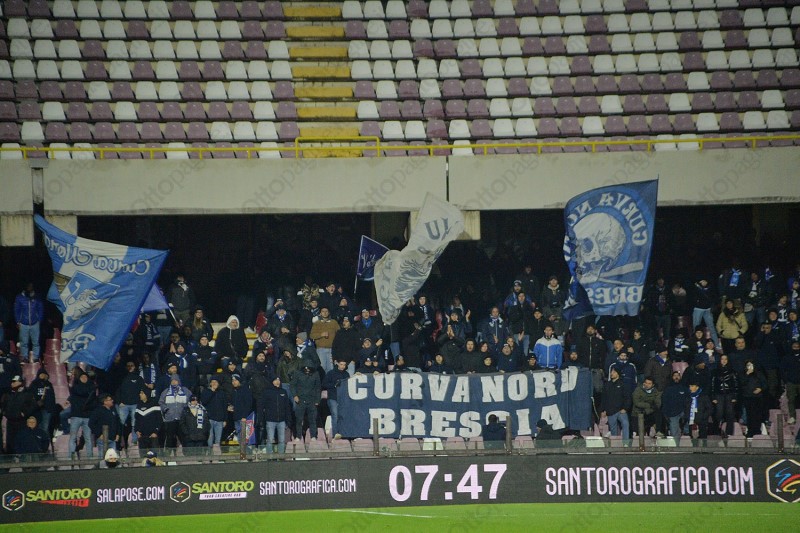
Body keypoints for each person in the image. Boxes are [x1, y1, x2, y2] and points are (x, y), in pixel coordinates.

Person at [2, 376, 37, 454]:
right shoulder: (8, 393)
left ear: (20, 382)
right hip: (10, 421)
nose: (12, 383)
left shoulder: (27, 393)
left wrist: (24, 413)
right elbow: (3, 404)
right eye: (12, 381)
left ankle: (22, 458)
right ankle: (10, 458)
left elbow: (33, 405)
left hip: (21, 421)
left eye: (14, 381)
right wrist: (5, 413)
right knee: (10, 442)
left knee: (22, 440)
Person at [159, 374, 191, 453]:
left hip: (182, 419)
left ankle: (187, 454)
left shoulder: (185, 390)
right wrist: (166, 409)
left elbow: (191, 400)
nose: (174, 382)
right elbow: (161, 402)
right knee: (170, 438)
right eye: (172, 381)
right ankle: (169, 455)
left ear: (179, 381)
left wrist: (186, 410)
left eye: (175, 380)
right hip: (170, 419)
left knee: (184, 438)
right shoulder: (166, 391)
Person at [67, 370, 96, 459]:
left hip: (87, 417)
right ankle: (71, 457)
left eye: (85, 377)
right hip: (76, 416)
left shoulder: (92, 389)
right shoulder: (75, 388)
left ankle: (90, 458)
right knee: (73, 437)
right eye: (82, 377)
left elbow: (94, 403)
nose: (84, 378)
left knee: (88, 438)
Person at [116, 360, 144, 447]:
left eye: (132, 365)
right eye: (128, 365)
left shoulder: (139, 378)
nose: (130, 367)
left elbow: (142, 390)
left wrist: (139, 402)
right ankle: (119, 439)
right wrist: (119, 402)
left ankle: (134, 441)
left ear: (135, 367)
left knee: (134, 423)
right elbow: (117, 390)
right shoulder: (121, 377)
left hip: (135, 404)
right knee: (120, 423)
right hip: (123, 404)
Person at [14, 283, 44, 364]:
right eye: (28, 286)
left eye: (31, 286)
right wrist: (18, 321)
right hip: (23, 323)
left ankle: (36, 357)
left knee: (36, 342)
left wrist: (39, 320)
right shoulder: (20, 297)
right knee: (23, 342)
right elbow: (16, 310)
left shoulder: (36, 297)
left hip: (35, 323)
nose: (29, 287)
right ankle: (24, 357)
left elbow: (40, 308)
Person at [262, 376, 293, 454]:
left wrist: (288, 419)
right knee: (270, 439)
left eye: (279, 380)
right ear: (272, 381)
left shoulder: (283, 391)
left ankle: (281, 456)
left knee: (282, 440)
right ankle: (269, 456)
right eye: (275, 380)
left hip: (281, 420)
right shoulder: (267, 392)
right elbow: (262, 405)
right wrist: (263, 417)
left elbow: (287, 407)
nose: (277, 381)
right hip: (270, 420)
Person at [601, 367, 632, 443]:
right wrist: (603, 410)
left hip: (621, 410)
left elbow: (628, 397)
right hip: (610, 411)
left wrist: (625, 408)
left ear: (618, 373)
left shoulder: (623, 384)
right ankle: (615, 444)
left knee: (625, 424)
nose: (612, 373)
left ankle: (625, 443)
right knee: (613, 429)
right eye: (611, 372)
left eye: (614, 372)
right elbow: (604, 398)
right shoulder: (607, 384)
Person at [291, 363, 321, 441]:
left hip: (312, 400)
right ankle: (298, 436)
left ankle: (313, 436)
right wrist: (295, 395)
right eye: (306, 368)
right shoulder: (297, 373)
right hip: (300, 400)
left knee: (313, 420)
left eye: (309, 368)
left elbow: (318, 388)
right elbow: (293, 385)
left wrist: (317, 400)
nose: (307, 370)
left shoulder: (316, 374)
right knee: (299, 420)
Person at [711, 354, 739, 437]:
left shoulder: (732, 371)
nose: (724, 361)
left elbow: (736, 385)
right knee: (718, 413)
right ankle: (716, 431)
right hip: (718, 394)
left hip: (729, 394)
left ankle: (729, 432)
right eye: (722, 359)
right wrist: (713, 397)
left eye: (725, 359)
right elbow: (712, 385)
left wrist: (735, 396)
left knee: (730, 414)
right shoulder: (715, 371)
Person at [322, 360, 349, 439]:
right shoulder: (331, 373)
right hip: (333, 397)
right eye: (341, 364)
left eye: (344, 365)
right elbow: (324, 384)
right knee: (335, 415)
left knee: (343, 416)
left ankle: (343, 433)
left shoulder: (346, 374)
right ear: (337, 364)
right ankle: (335, 434)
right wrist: (334, 385)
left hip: (343, 398)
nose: (342, 366)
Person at [740, 360, 767, 438]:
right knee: (749, 415)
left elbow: (765, 384)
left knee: (757, 415)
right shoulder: (743, 375)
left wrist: (760, 389)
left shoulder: (759, 374)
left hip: (758, 398)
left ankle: (757, 431)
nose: (750, 367)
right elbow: (741, 384)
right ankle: (750, 432)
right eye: (748, 365)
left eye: (751, 365)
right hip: (748, 397)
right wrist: (747, 375)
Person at [89, 394, 121, 459]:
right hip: (102, 439)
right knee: (102, 458)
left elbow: (118, 422)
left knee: (113, 458)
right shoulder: (98, 411)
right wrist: (99, 434)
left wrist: (118, 433)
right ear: (105, 402)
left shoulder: (113, 410)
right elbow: (91, 423)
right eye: (110, 400)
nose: (112, 401)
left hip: (113, 439)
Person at [310, 306, 340, 374]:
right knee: (322, 367)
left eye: (326, 311)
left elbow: (339, 334)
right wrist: (321, 334)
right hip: (321, 349)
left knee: (331, 368)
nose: (325, 313)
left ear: (329, 313)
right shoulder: (317, 323)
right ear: (320, 313)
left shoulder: (334, 322)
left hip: (332, 349)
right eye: (323, 311)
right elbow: (312, 335)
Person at [661, 372, 688, 444]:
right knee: (674, 432)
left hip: (684, 412)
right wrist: (665, 413)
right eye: (674, 375)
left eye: (678, 375)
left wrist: (687, 412)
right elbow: (664, 402)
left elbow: (689, 401)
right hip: (672, 413)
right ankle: (676, 447)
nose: (676, 377)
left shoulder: (685, 388)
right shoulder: (667, 389)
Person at [201, 376, 227, 449]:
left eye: (216, 382)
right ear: (210, 383)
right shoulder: (206, 391)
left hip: (219, 420)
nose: (214, 383)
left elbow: (224, 406)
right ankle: (210, 453)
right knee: (210, 439)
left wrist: (225, 419)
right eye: (212, 382)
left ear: (218, 383)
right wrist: (212, 392)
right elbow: (204, 402)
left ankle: (216, 454)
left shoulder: (222, 393)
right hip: (210, 419)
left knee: (218, 440)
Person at [692, 279, 720, 347]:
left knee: (711, 327)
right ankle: (695, 345)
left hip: (708, 309)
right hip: (698, 309)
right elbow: (692, 297)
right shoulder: (696, 287)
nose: (703, 282)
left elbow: (714, 296)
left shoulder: (710, 287)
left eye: (705, 281)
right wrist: (696, 302)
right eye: (702, 281)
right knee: (696, 327)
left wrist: (711, 304)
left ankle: (716, 344)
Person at [29, 368, 56, 438]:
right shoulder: (33, 384)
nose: (42, 375)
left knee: (45, 427)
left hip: (46, 409)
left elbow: (52, 397)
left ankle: (45, 442)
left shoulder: (49, 384)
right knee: (37, 426)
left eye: (44, 374)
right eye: (41, 374)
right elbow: (30, 396)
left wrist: (52, 408)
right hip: (36, 409)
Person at [685, 379, 713, 445]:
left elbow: (710, 408)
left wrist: (703, 416)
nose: (690, 388)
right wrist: (687, 416)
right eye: (690, 386)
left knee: (703, 438)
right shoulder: (688, 397)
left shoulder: (704, 397)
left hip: (702, 421)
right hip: (691, 420)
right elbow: (685, 408)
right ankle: (694, 448)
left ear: (697, 387)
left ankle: (704, 449)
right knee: (693, 437)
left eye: (692, 386)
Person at [134, 389, 162, 454]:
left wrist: (156, 432)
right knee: (143, 457)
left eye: (142, 393)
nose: (140, 395)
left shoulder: (155, 404)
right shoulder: (139, 405)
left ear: (147, 394)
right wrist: (137, 431)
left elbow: (159, 420)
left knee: (154, 457)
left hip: (153, 436)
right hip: (142, 436)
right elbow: (137, 420)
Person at [781, 340, 800, 425]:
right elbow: (782, 370)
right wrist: (786, 380)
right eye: (794, 347)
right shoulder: (786, 358)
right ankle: (792, 417)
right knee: (791, 400)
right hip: (791, 382)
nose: (796, 348)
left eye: (797, 347)